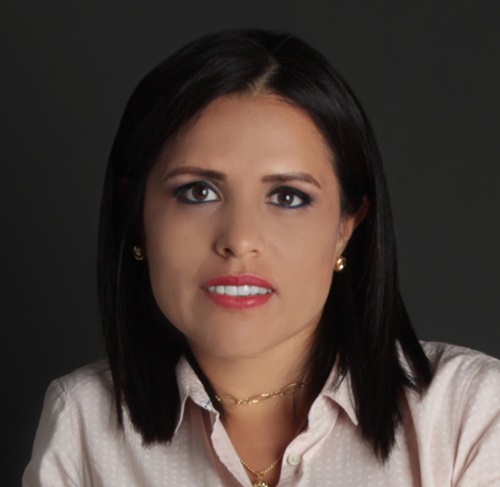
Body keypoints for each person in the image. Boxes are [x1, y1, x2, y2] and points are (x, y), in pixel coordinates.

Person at [23, 29, 500, 487]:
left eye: (288, 197)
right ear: (137, 215)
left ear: (345, 228)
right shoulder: (82, 424)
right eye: (198, 191)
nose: (240, 239)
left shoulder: (469, 415)